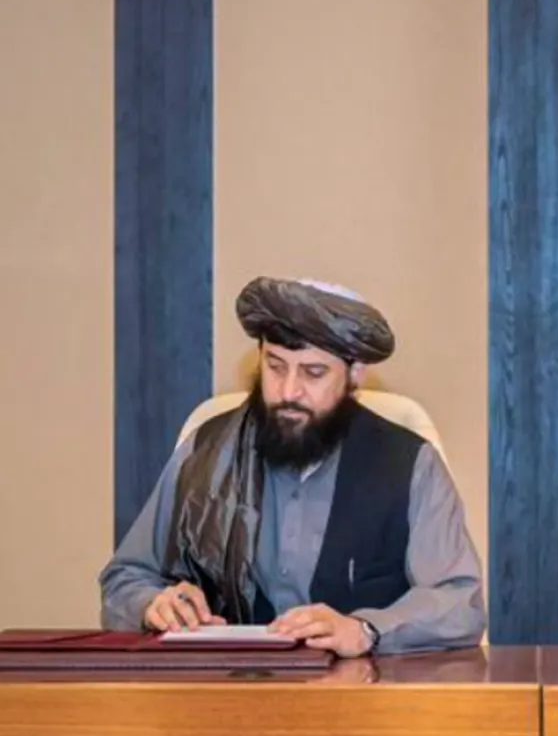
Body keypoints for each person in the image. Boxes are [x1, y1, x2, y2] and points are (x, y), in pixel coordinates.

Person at [100, 276, 486, 656]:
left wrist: (366, 629)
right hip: (225, 696)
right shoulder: (205, 452)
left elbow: (459, 602)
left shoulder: (409, 464)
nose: (288, 391)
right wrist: (152, 604)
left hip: (360, 701)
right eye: (275, 366)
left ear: (355, 375)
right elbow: (125, 579)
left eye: (313, 373)